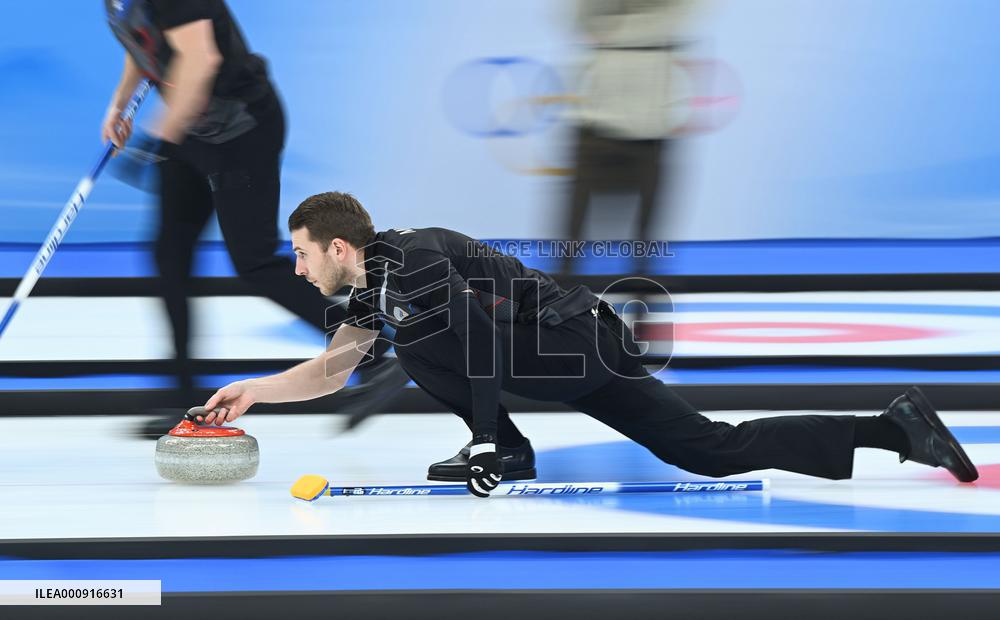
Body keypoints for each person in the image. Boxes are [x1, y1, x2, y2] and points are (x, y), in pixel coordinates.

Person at [198, 192, 979, 497]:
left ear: (340, 247)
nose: (294, 266)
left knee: (429, 338)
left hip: (573, 340)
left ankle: (503, 446)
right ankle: (896, 429)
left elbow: (469, 335)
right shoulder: (374, 286)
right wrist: (257, 391)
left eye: (300, 251)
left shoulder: (413, 259)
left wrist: (477, 440)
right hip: (571, 348)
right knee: (707, 450)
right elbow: (335, 371)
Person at [102, 1, 407, 436]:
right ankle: (186, 403)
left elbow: (200, 57)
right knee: (169, 257)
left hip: (240, 130)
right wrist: (121, 107)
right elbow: (143, 44)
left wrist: (162, 135)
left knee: (256, 263)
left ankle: (369, 354)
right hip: (192, 129)